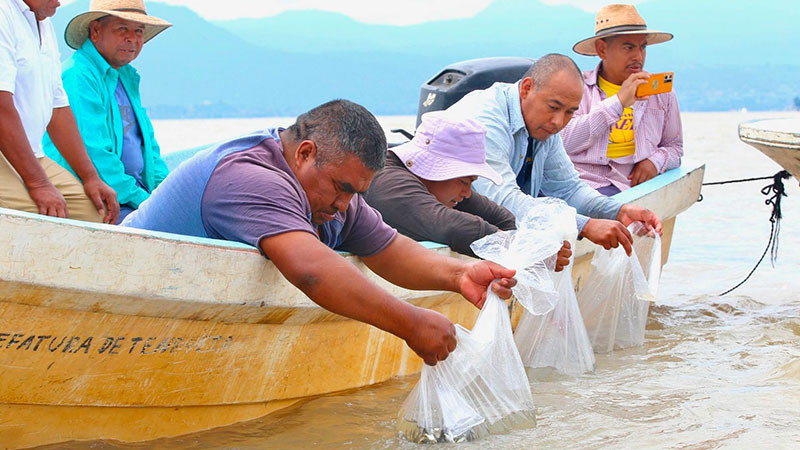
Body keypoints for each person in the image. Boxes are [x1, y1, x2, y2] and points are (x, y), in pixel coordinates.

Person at [123, 100, 517, 366]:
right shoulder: (251, 177)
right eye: (343, 188)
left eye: (356, 192)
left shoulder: (334, 193)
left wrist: (459, 275)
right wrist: (412, 324)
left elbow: (388, 247)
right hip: (134, 300)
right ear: (305, 153)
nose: (346, 204)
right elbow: (311, 270)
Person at [446, 53, 661, 254]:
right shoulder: (486, 120)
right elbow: (502, 199)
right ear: (526, 89)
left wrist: (619, 211)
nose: (559, 122)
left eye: (569, 112)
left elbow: (568, 189)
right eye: (553, 107)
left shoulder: (544, 127)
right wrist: (584, 226)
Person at [364, 111, 572, 269]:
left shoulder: (441, 187)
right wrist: (525, 250)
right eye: (464, 181)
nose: (467, 192)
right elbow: (448, 226)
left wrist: (532, 243)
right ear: (433, 169)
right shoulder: (386, 182)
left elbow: (500, 217)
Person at [43, 0, 172, 223]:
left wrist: (167, 194)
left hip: (132, 194)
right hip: (103, 197)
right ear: (95, 31)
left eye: (139, 31)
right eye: (122, 29)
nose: (132, 38)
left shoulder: (125, 76)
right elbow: (94, 153)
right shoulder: (79, 75)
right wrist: (147, 202)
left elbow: (149, 148)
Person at [0, 0, 118, 223]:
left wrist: (91, 177)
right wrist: (39, 183)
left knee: (94, 213)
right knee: (42, 219)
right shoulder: (3, 13)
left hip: (31, 152)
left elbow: (58, 107)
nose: (59, 2)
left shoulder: (43, 24)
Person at [561, 4, 683, 196]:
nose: (638, 56)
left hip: (635, 186)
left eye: (642, 47)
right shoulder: (578, 88)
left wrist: (655, 162)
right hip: (584, 185)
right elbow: (563, 141)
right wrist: (618, 102)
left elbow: (675, 147)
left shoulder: (662, 93)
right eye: (628, 47)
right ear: (602, 49)